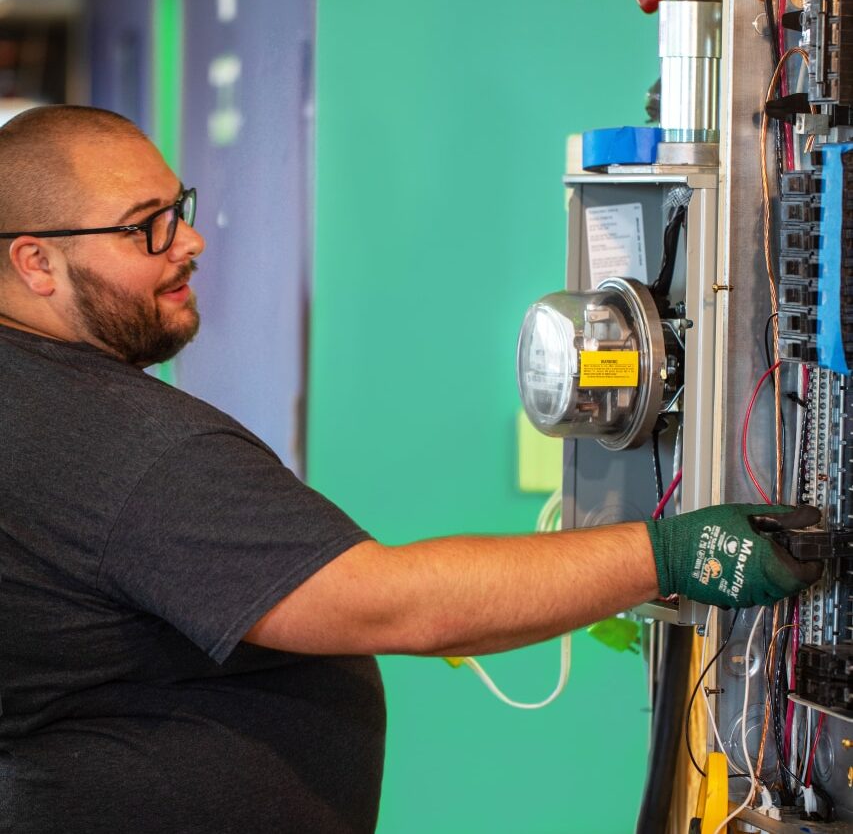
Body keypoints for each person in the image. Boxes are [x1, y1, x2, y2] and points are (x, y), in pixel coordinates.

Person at [0, 106, 823, 834]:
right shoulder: (115, 447)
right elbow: (394, 605)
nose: (189, 241)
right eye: (145, 226)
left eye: (175, 208)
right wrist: (675, 554)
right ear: (36, 262)